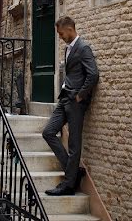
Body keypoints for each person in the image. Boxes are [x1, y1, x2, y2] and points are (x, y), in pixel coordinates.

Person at [42, 16, 99, 196]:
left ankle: (68, 185)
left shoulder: (83, 48)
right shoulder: (68, 48)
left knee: (74, 144)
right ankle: (73, 173)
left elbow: (93, 74)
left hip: (75, 102)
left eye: (60, 33)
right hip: (64, 98)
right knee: (48, 132)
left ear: (69, 29)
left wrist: (80, 96)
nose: (59, 36)